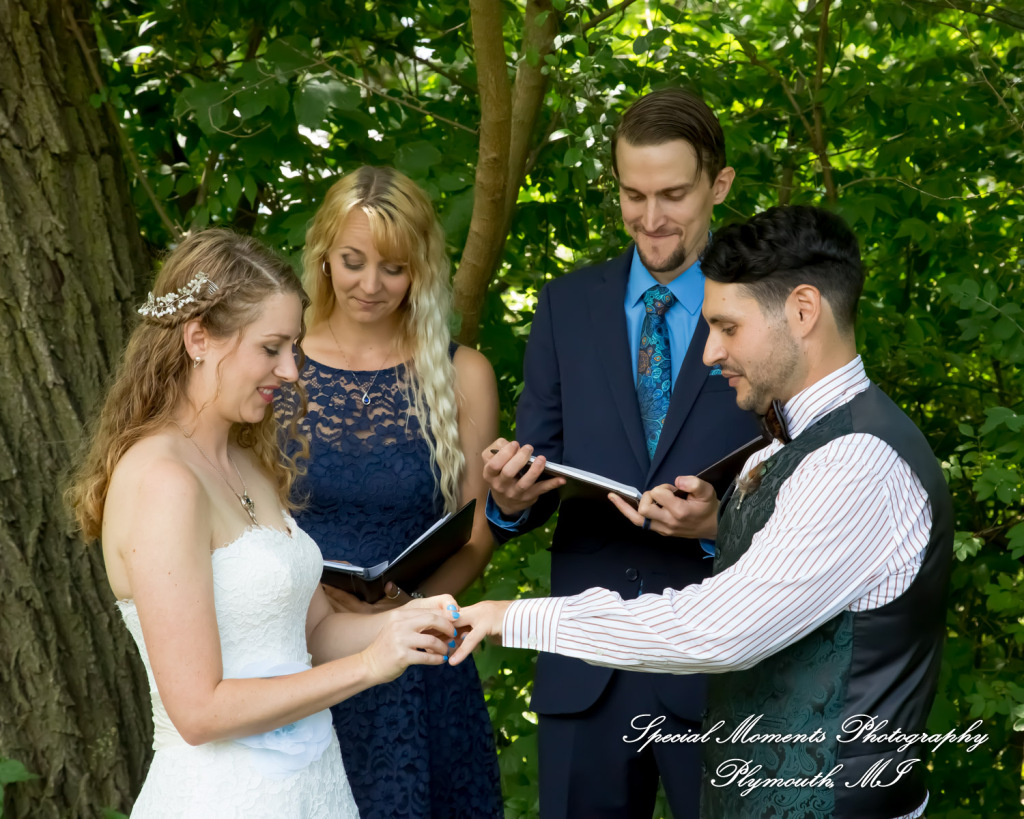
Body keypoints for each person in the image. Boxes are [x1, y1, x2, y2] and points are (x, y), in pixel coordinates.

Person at [455, 205, 954, 819]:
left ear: (803, 311)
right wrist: (719, 528)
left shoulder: (858, 462)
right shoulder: (789, 443)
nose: (708, 352)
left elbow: (720, 632)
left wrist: (513, 617)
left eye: (727, 327)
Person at [65, 229, 461, 818]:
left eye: (294, 347)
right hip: (224, 798)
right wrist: (371, 667)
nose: (292, 370)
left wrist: (416, 622)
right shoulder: (162, 481)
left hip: (315, 788)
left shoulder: (250, 464)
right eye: (271, 347)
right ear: (198, 338)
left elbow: (316, 634)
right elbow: (199, 712)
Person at [480, 87, 762, 818]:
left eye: (673, 194)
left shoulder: (770, 309)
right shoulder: (564, 305)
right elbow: (534, 471)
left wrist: (717, 527)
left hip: (722, 657)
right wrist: (508, 502)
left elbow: (807, 481)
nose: (651, 217)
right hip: (587, 660)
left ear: (719, 185)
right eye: (633, 195)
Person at [274, 166, 503, 819]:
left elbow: (479, 527)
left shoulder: (464, 372)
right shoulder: (278, 365)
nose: (369, 284)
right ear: (323, 255)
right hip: (301, 654)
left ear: (422, 270)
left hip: (421, 655)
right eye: (352, 261)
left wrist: (412, 611)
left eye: (393, 268)